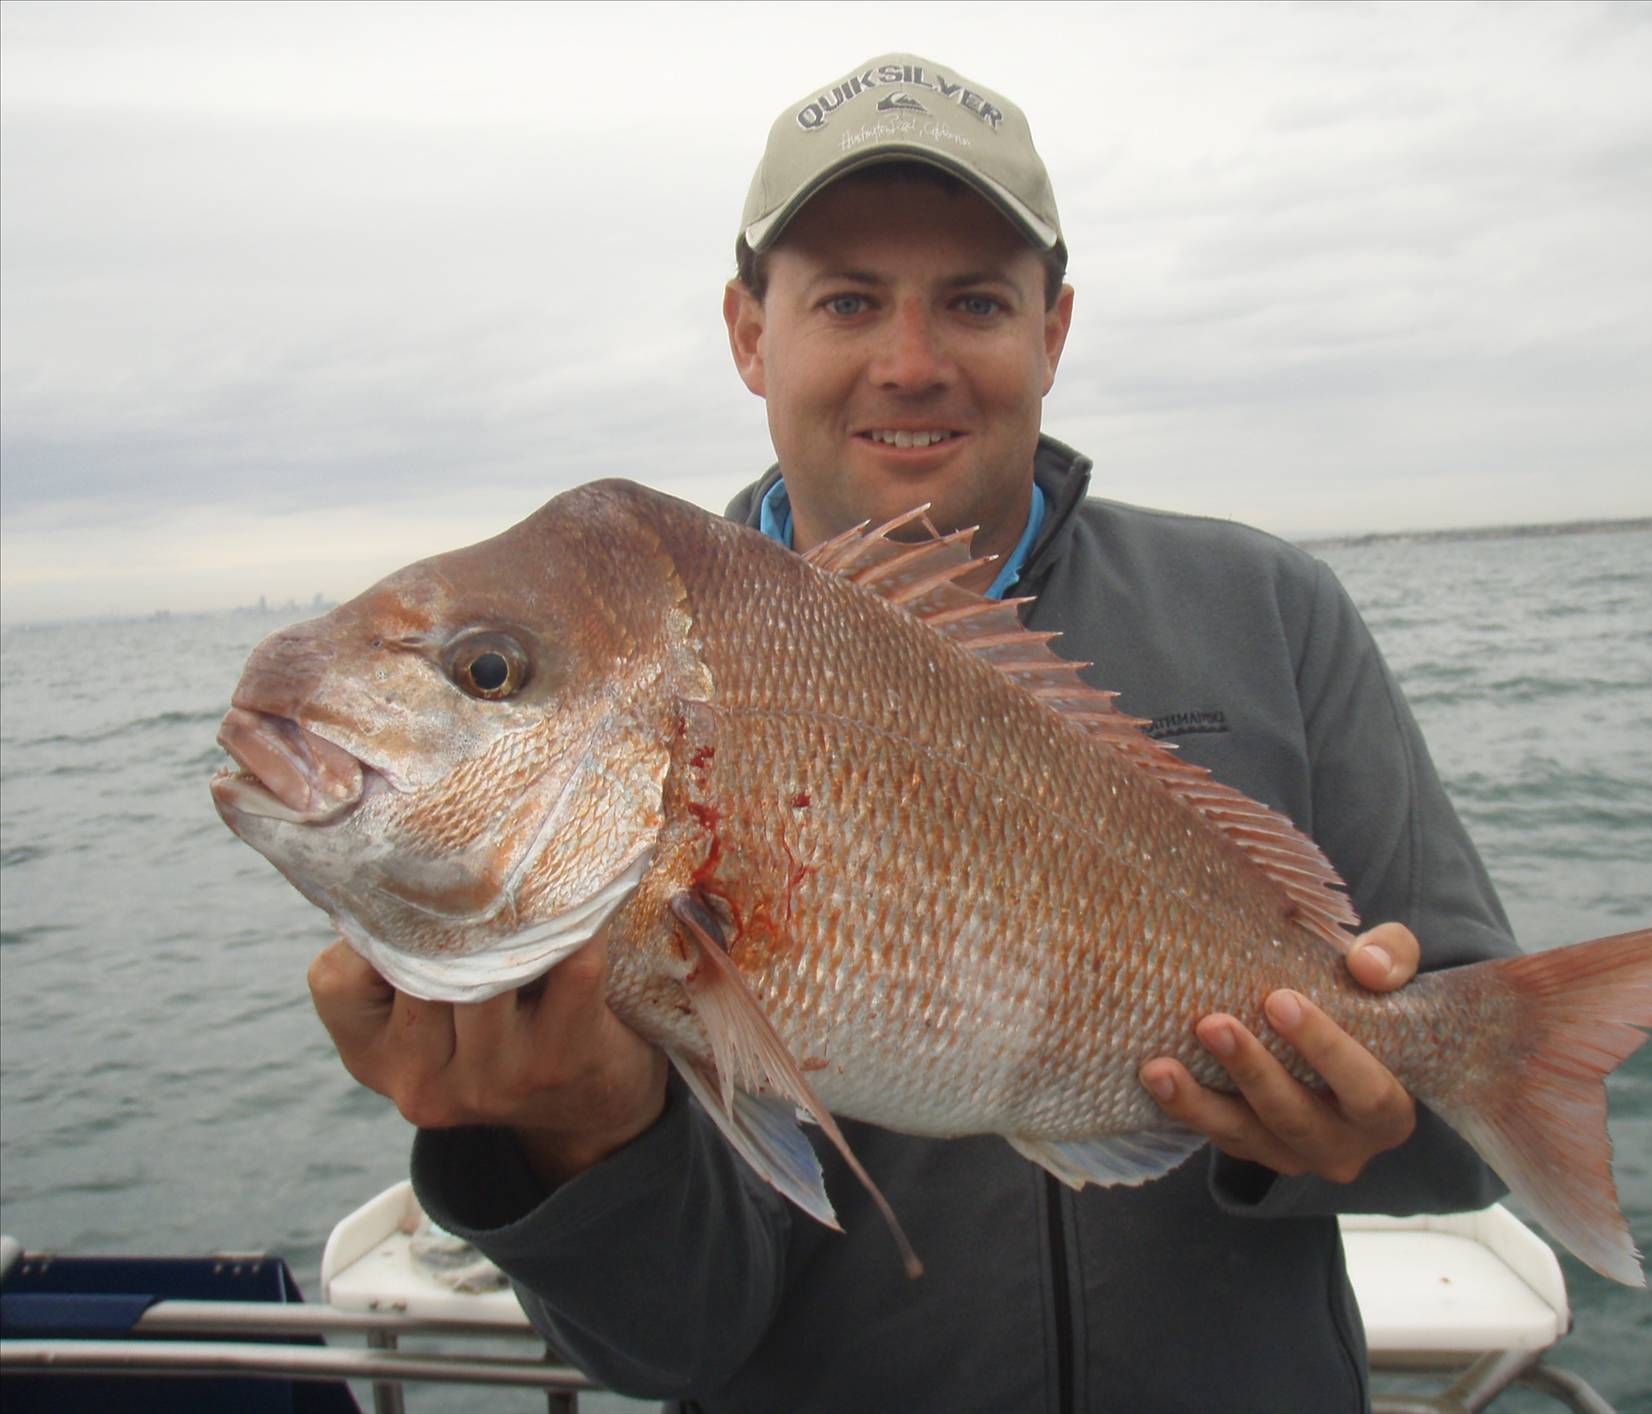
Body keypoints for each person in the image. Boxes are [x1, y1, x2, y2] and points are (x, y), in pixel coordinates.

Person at [309, 53, 1518, 1412]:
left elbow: (1479, 1125)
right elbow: (673, 1343)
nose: (910, 361)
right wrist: (573, 1132)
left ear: (1051, 330)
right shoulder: (625, 725)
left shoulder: (1271, 610)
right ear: (747, 331)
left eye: (973, 301)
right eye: (845, 299)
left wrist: (1320, 1130)